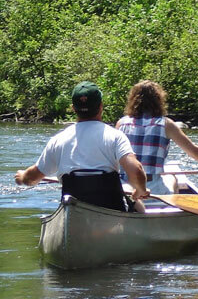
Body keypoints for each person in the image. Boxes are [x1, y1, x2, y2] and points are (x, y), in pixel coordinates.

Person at [15, 81, 149, 211]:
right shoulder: (116, 136)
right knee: (138, 206)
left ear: (73, 108)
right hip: (112, 210)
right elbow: (136, 170)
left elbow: (32, 178)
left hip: (75, 213)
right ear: (101, 106)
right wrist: (140, 190)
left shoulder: (58, 140)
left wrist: (23, 177)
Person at [116, 80, 198, 194]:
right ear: (159, 101)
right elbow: (195, 151)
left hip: (125, 186)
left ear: (133, 100)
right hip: (152, 188)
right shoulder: (166, 124)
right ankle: (170, 204)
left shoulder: (122, 123)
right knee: (171, 177)